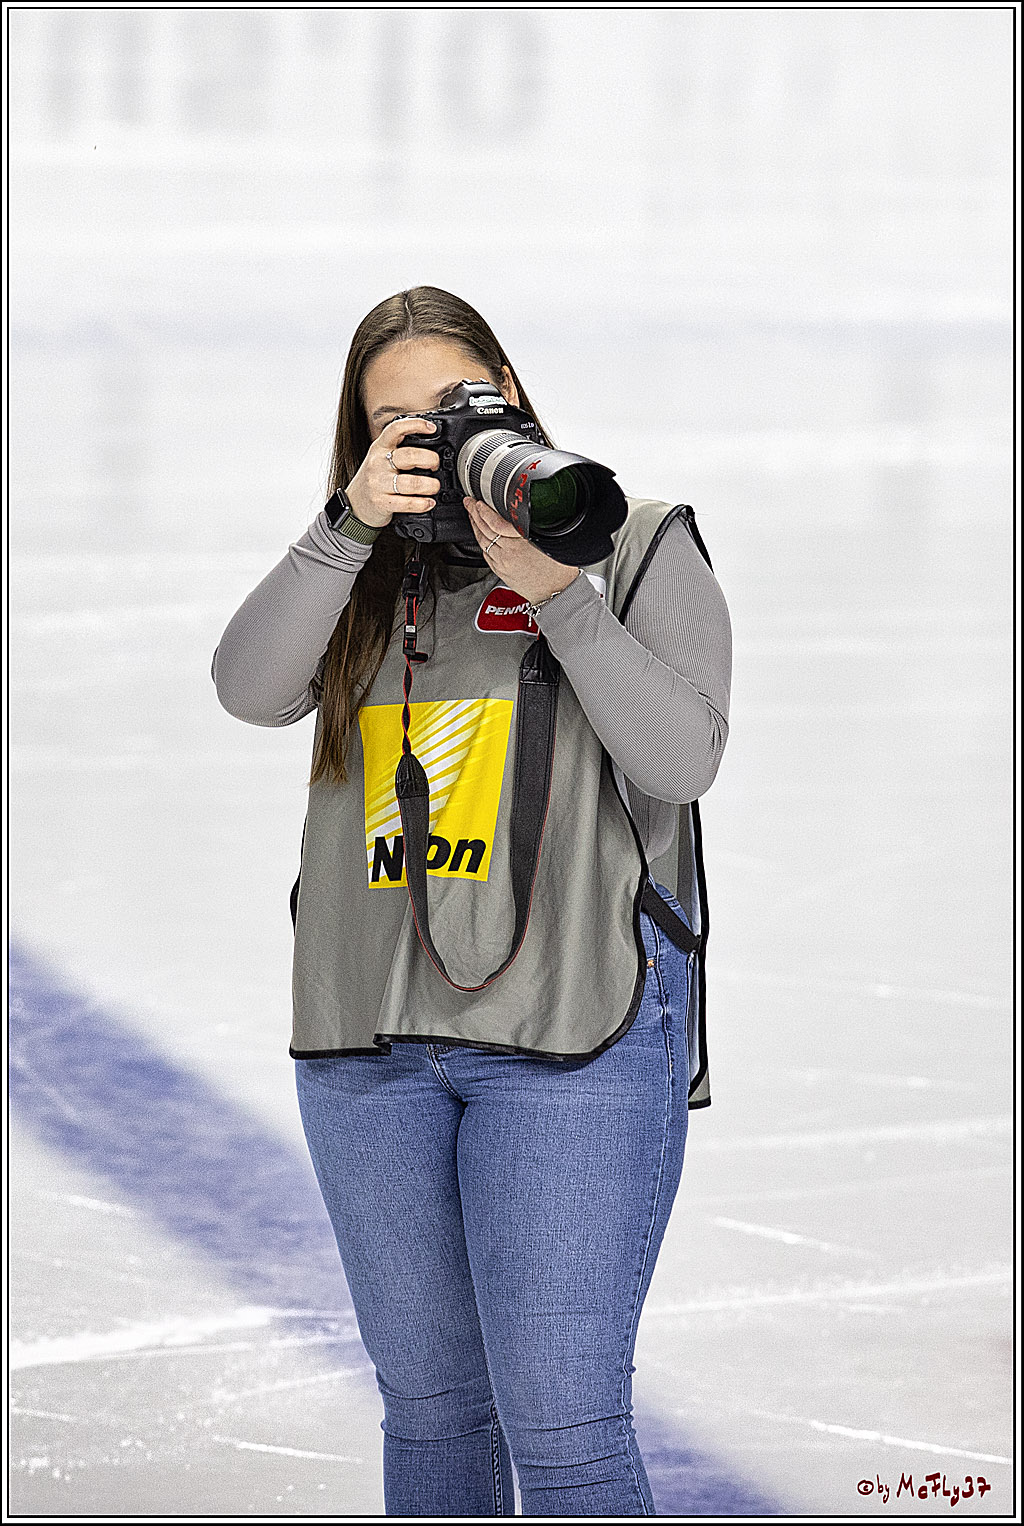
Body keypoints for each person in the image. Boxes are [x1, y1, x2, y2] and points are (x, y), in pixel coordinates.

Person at [211, 285, 731, 1517]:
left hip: (572, 1038)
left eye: (454, 405)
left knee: (563, 1423)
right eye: (398, 424)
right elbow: (247, 688)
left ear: (509, 391)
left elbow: (680, 761)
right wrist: (344, 528)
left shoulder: (634, 538)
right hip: (369, 1044)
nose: (437, 444)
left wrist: (559, 594)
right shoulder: (356, 567)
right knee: (433, 1412)